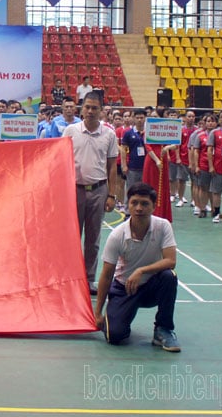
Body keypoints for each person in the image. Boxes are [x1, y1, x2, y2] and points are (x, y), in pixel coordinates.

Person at [94, 182, 180, 352]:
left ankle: (163, 329)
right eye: (134, 203)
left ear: (154, 206)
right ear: (128, 205)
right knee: (114, 337)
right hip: (124, 288)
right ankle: (119, 314)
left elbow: (171, 261)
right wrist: (98, 313)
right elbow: (106, 275)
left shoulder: (163, 226)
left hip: (151, 287)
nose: (139, 208)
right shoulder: (117, 235)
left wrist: (141, 271)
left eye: (144, 203)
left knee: (169, 276)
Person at [63, 91, 118, 296]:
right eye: (87, 107)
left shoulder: (109, 134)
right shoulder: (70, 130)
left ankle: (88, 279)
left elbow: (112, 166)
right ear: (81, 108)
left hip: (98, 190)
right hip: (74, 190)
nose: (90, 111)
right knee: (72, 238)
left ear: (101, 111)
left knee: (93, 239)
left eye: (95, 108)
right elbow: (60, 159)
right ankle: (71, 278)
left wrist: (111, 195)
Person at [142, 140, 175, 222]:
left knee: (163, 187)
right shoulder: (149, 130)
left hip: (163, 160)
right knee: (151, 186)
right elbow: (148, 147)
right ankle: (149, 212)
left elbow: (175, 145)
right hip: (152, 161)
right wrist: (156, 160)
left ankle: (162, 214)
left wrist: (168, 147)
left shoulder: (166, 131)